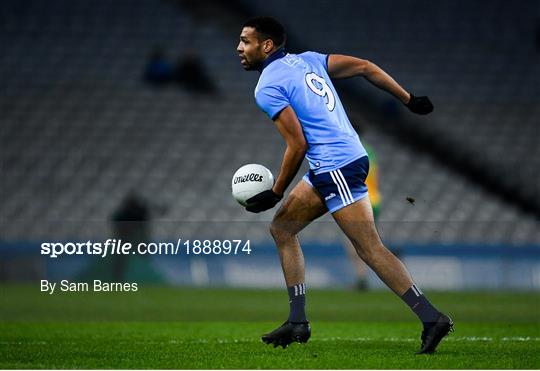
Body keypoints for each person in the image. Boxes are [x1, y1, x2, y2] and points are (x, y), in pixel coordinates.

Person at [237, 16, 453, 354]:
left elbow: (297, 146)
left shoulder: (266, 85)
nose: (239, 48)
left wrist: (277, 191)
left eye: (245, 41)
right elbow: (366, 67)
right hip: (342, 160)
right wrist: (408, 99)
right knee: (282, 229)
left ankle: (431, 318)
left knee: (369, 249)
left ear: (266, 46)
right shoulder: (309, 59)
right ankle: (297, 320)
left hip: (335, 165)